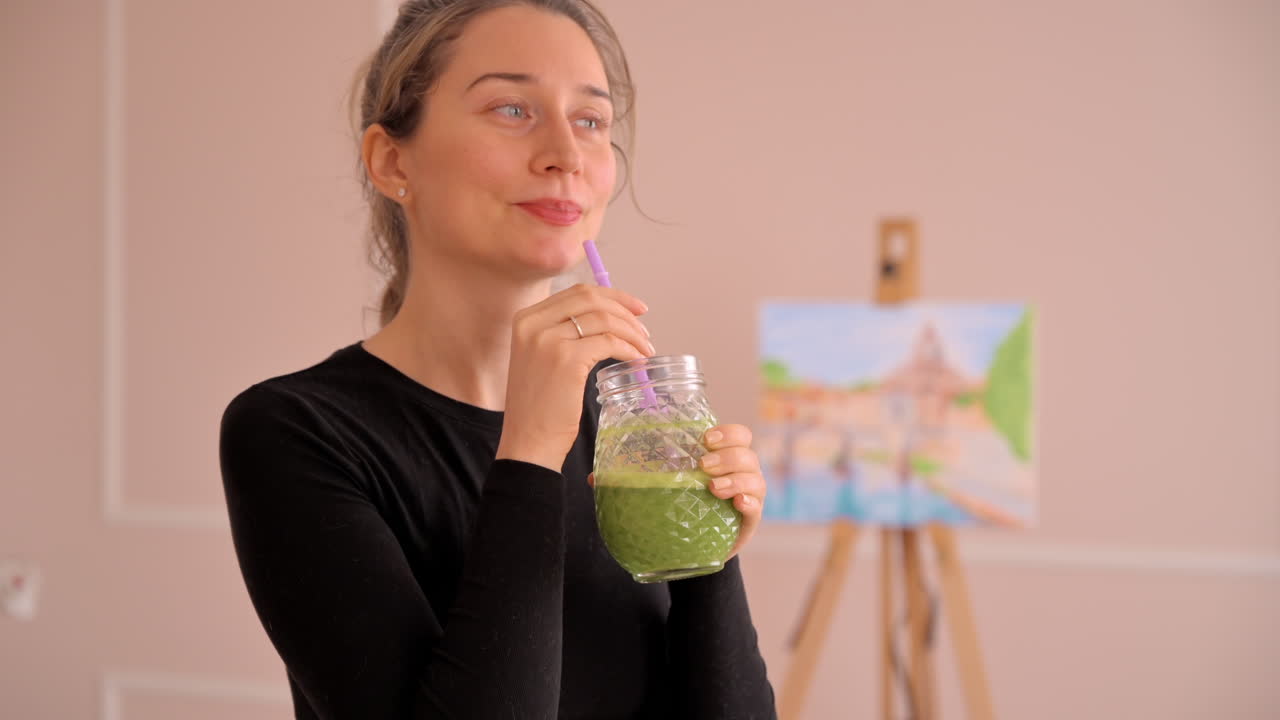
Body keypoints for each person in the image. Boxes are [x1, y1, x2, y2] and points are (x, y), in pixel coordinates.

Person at [219, 1, 776, 717]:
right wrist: (530, 454)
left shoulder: (627, 411)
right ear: (392, 161)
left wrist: (709, 556)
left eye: (591, 121)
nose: (566, 155)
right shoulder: (296, 432)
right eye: (512, 110)